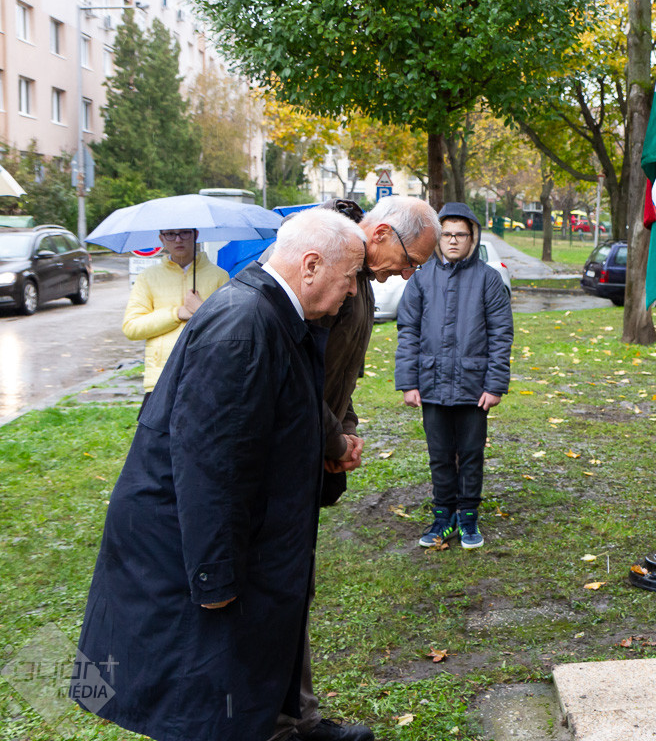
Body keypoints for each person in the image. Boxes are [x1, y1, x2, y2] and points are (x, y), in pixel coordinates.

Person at [73, 209, 367, 741]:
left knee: (238, 676)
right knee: (201, 693)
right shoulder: (243, 326)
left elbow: (288, 415)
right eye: (349, 277)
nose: (352, 291)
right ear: (310, 266)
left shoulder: (274, 314)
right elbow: (210, 463)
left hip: (236, 533)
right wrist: (214, 574)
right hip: (183, 544)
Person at [272, 195, 438, 741]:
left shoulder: (360, 278)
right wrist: (333, 435)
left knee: (295, 589)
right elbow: (295, 375)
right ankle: (279, 724)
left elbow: (340, 372)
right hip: (286, 450)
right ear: (383, 233)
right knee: (277, 592)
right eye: (410, 261)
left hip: (314, 444)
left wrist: (346, 427)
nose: (408, 275)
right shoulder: (332, 270)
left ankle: (298, 718)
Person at [395, 202, 513, 549]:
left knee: (471, 454)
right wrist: (409, 382)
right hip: (431, 384)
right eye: (446, 234)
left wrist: (495, 385)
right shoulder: (421, 279)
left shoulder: (488, 279)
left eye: (461, 234)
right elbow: (408, 331)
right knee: (440, 455)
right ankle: (443, 515)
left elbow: (501, 334)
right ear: (437, 237)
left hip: (474, 388)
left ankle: (468, 516)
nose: (453, 240)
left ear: (472, 238)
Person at [121, 228, 228, 393]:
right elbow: (132, 327)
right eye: (170, 234)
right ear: (161, 238)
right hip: (161, 379)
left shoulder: (219, 276)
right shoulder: (148, 278)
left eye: (184, 233)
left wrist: (201, 310)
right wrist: (176, 314)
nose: (178, 240)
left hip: (206, 375)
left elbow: (230, 330)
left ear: (195, 235)